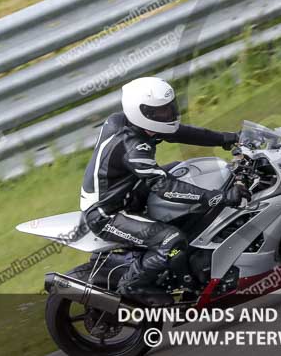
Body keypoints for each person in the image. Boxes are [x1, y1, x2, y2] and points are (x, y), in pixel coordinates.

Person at [79, 76, 250, 304]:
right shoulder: (133, 148)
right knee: (170, 239)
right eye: (160, 112)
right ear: (141, 112)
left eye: (169, 108)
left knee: (187, 173)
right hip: (108, 213)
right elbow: (163, 186)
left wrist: (227, 138)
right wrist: (216, 198)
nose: (168, 115)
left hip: (130, 192)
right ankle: (133, 286)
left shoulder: (130, 122)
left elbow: (181, 132)